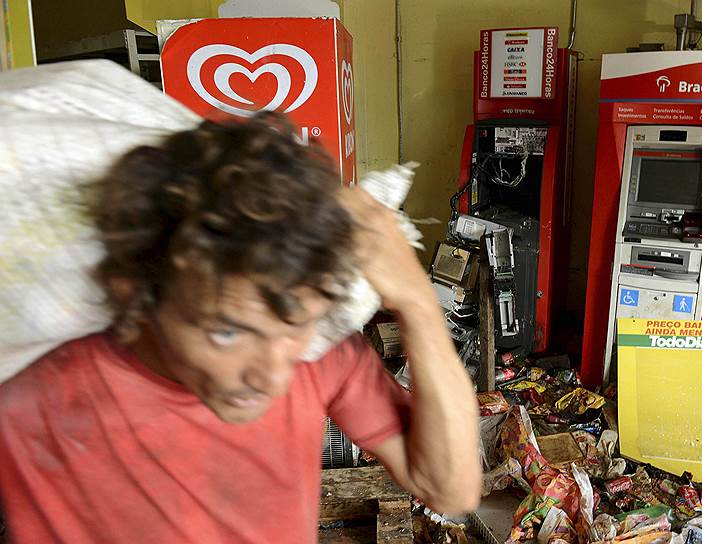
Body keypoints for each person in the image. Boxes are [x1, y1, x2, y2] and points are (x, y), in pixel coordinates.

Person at [0, 113, 481, 542]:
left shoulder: (316, 352)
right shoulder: (34, 389)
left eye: (295, 325)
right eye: (227, 333)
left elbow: (450, 489)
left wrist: (417, 301)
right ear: (137, 296)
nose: (271, 376)